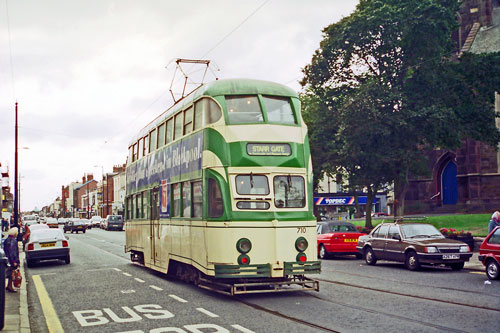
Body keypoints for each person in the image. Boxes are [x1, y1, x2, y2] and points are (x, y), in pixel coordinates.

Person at [4, 227, 20, 292]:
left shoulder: (7, 239)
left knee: (10, 273)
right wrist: (14, 261)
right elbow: (12, 251)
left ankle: (9, 286)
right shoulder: (13, 240)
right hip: (11, 260)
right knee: (11, 274)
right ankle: (10, 287)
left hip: (7, 258)